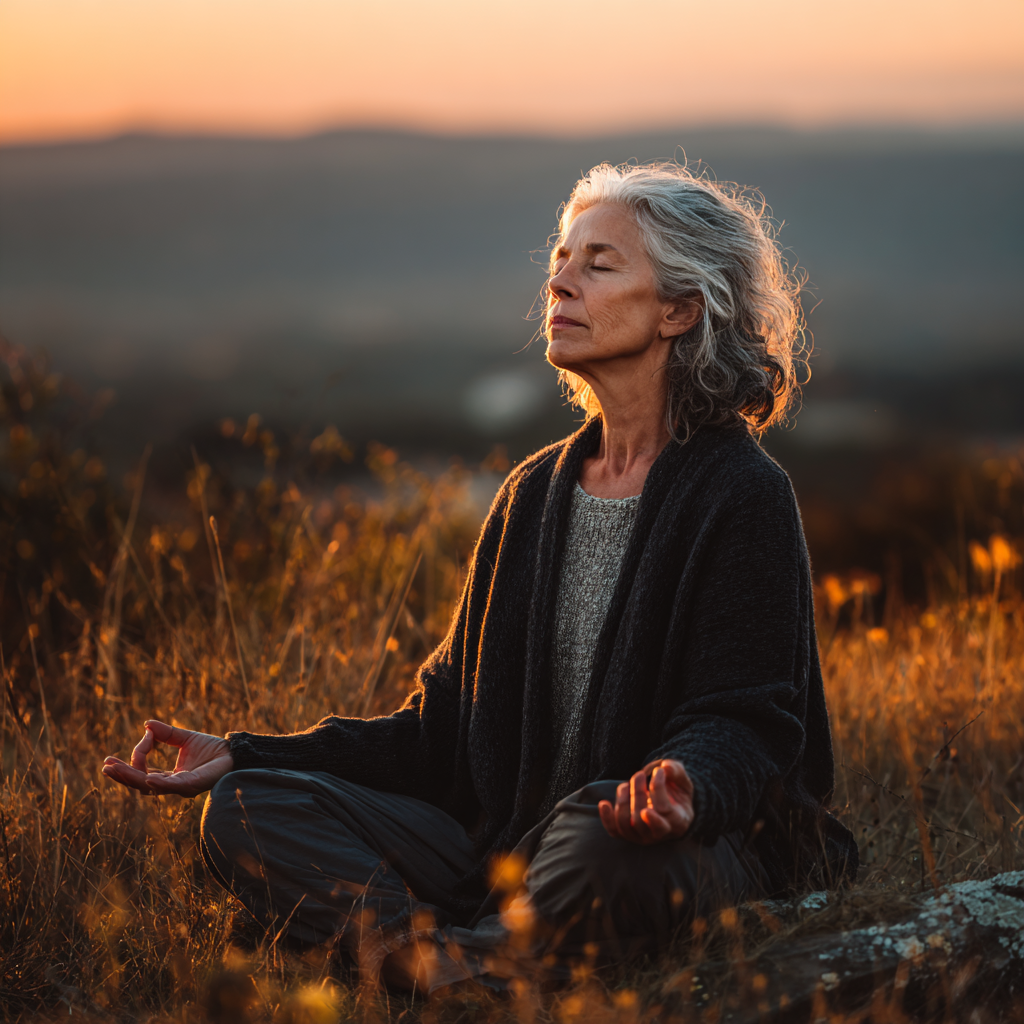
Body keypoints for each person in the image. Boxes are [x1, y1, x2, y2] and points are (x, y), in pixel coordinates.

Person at [102, 161, 858, 993]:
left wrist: (683, 786)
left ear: (680, 309)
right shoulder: (533, 493)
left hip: (655, 844)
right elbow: (439, 732)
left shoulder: (742, 493)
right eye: (560, 262)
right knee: (248, 807)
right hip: (502, 849)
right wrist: (245, 754)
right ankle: (442, 967)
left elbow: (746, 723)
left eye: (599, 264)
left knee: (599, 838)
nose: (561, 281)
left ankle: (455, 966)